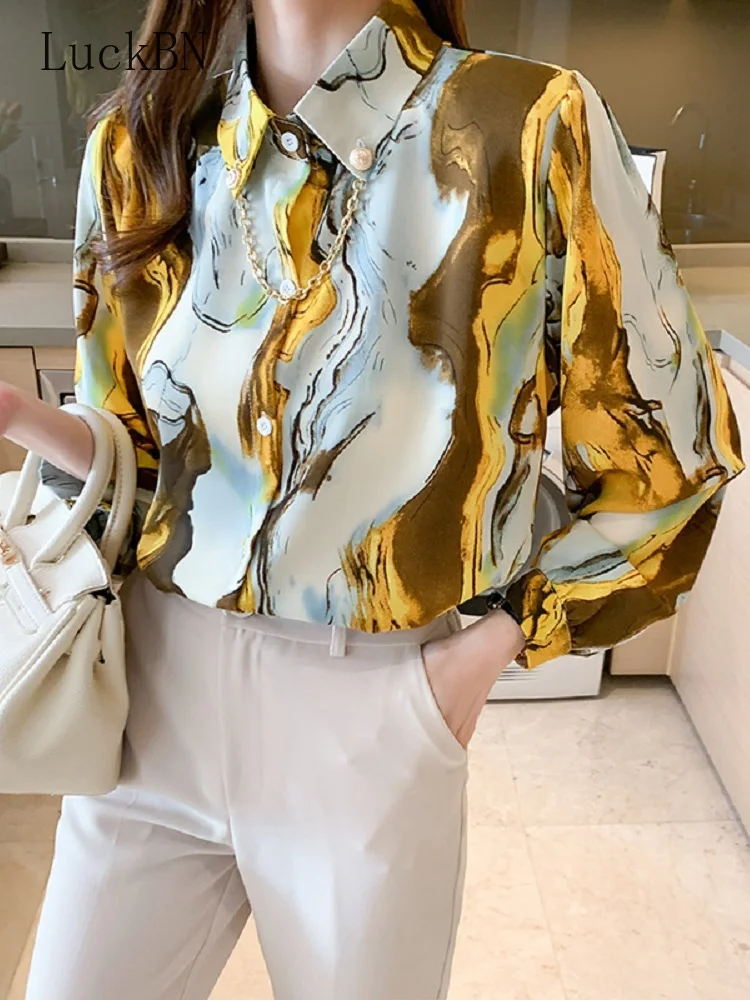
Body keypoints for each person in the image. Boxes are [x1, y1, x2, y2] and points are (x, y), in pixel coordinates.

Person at [0, 0, 744, 997]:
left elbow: (670, 463)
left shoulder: (529, 130)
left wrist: (475, 663)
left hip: (369, 719)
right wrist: (22, 418)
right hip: (148, 700)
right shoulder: (140, 149)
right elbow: (139, 462)